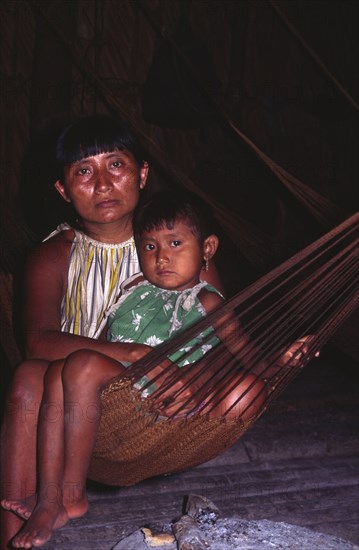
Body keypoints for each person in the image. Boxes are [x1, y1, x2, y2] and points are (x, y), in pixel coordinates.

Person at [0, 116, 223, 549]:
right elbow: (37, 341)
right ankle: (15, 534)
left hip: (148, 395)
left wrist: (199, 379)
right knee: (28, 377)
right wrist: (132, 353)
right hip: (69, 395)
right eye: (84, 171)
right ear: (63, 191)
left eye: (115, 165)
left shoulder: (172, 245)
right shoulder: (52, 255)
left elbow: (218, 326)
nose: (102, 183)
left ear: (142, 174)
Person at [6, 191, 265, 548]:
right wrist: (129, 353)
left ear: (207, 249)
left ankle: (66, 495)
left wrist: (282, 361)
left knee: (79, 365)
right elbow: (87, 340)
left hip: (171, 401)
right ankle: (54, 499)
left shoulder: (205, 299)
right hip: (122, 394)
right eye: (149, 248)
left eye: (175, 243)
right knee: (58, 373)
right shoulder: (134, 290)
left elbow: (242, 354)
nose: (162, 257)